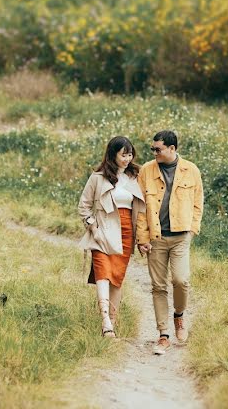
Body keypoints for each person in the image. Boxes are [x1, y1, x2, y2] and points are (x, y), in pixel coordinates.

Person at [136, 130, 204, 355]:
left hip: (181, 236)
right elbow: (141, 207)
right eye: (152, 149)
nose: (154, 152)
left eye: (158, 149)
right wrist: (142, 238)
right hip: (155, 238)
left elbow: (197, 202)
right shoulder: (146, 170)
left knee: (181, 280)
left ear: (172, 149)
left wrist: (193, 229)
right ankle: (163, 334)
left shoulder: (191, 170)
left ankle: (179, 316)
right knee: (158, 286)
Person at [78, 136, 145, 338]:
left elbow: (141, 207)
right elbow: (83, 206)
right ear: (112, 154)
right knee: (103, 273)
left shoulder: (136, 176)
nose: (127, 159)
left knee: (116, 277)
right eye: (123, 155)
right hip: (104, 228)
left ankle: (113, 322)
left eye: (130, 154)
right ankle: (105, 321)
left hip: (126, 229)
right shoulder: (98, 177)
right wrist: (93, 228)